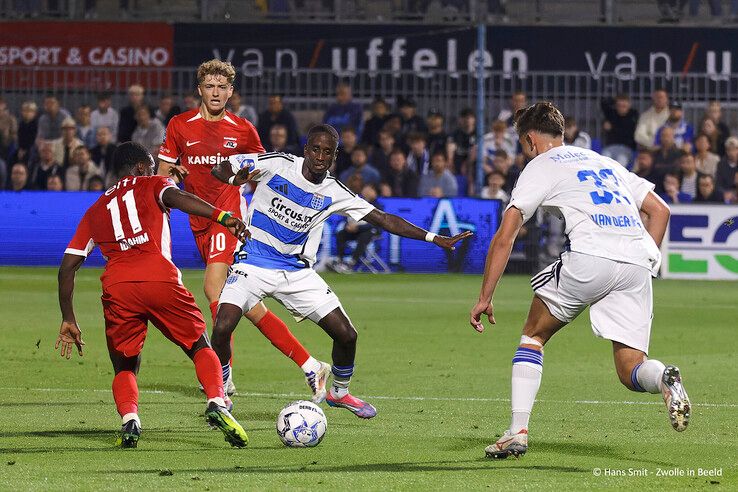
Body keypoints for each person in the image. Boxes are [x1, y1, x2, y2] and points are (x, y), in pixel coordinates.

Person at [470, 102, 690, 460]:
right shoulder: (601, 160)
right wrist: (642, 256)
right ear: (561, 132)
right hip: (636, 261)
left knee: (534, 335)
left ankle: (517, 431)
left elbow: (506, 234)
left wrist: (485, 296)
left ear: (528, 140)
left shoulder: (539, 165)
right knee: (630, 368)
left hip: (590, 256)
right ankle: (664, 377)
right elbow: (659, 210)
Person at [210, 124, 472, 418]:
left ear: (335, 155)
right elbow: (221, 169)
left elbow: (383, 219)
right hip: (253, 263)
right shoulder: (278, 164)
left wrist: (434, 238)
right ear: (306, 149)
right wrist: (234, 177)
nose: (320, 157)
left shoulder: (334, 190)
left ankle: (340, 393)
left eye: (328, 152)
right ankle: (221, 390)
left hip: (295, 272)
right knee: (222, 327)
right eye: (316, 150)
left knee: (347, 335)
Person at [55, 141, 249, 449]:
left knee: (125, 365)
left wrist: (68, 317)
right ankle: (216, 400)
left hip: (118, 288)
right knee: (199, 344)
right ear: (142, 168)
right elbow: (179, 197)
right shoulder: (154, 183)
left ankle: (130, 419)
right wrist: (223, 217)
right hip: (159, 276)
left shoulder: (95, 209)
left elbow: (67, 268)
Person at [158, 59, 326, 399]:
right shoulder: (179, 125)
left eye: (222, 87)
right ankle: (311, 365)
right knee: (247, 305)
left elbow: (265, 171)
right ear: (200, 90)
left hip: (231, 216)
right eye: (210, 87)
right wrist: (172, 176)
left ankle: (222, 376)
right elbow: (162, 172)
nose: (216, 93)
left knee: (213, 288)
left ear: (231, 92)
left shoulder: (243, 129)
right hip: (199, 221)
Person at [331, 183, 382, 273]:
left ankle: (351, 263)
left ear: (373, 191)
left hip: (369, 231)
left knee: (365, 236)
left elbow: (376, 223)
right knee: (341, 234)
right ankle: (340, 260)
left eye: (367, 189)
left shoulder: (378, 206)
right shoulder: (359, 202)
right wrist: (348, 225)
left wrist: (358, 227)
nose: (365, 191)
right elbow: (349, 215)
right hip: (355, 230)